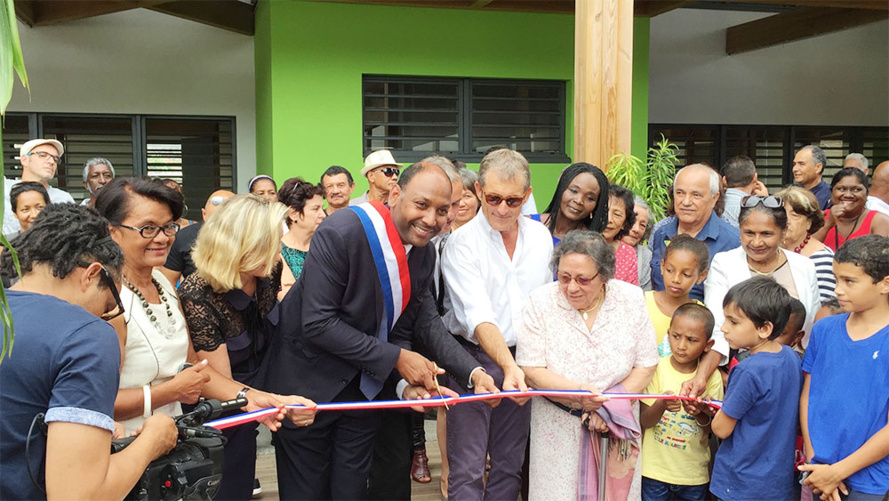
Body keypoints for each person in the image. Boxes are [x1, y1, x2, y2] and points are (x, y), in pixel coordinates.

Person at [259, 161, 496, 500]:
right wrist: (398, 359)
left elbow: (401, 327)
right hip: (305, 389)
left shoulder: (424, 254)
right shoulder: (343, 231)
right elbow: (318, 323)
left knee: (351, 492)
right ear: (395, 193)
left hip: (362, 394)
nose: (431, 218)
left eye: (443, 210)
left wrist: (406, 383)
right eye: (422, 204)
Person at [95, 177, 304, 436]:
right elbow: (95, 402)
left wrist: (249, 397)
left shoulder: (162, 283)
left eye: (168, 227)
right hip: (123, 446)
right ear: (112, 230)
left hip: (168, 441)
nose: (161, 238)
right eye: (148, 228)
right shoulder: (104, 299)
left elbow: (194, 367)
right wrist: (170, 392)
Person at [0, 203, 178, 500]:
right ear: (93, 274)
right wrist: (152, 441)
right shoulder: (85, 336)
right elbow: (79, 495)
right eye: (110, 306)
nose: (105, 317)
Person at [179, 194, 317, 500]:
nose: (276, 251)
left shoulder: (269, 270)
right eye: (266, 244)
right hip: (221, 406)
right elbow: (218, 382)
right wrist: (269, 400)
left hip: (261, 389)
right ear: (235, 244)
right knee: (225, 485)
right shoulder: (197, 292)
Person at [442, 148, 553, 501]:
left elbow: (545, 304)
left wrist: (525, 365)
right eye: (493, 198)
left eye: (513, 200)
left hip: (525, 358)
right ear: (478, 192)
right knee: (469, 467)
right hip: (473, 360)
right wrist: (508, 366)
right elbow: (477, 315)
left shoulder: (540, 238)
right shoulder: (461, 243)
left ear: (528, 196)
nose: (502, 209)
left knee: (509, 463)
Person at [517, 230, 657, 500]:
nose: (571, 287)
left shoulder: (630, 298)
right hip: (558, 427)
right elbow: (531, 369)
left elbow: (646, 365)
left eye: (583, 280)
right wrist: (579, 393)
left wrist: (610, 407)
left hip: (616, 427)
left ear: (604, 276)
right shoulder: (541, 301)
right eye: (564, 277)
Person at [799, 235, 889, 501]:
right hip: (820, 470)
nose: (838, 289)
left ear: (885, 283)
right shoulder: (824, 329)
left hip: (869, 480)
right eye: (837, 279)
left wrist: (838, 472)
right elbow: (809, 398)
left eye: (850, 281)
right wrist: (819, 463)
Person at [709, 277, 803, 501]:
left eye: (733, 322)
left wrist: (718, 412)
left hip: (740, 480)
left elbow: (722, 429)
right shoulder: (791, 357)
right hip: (775, 481)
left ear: (764, 328)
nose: (723, 328)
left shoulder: (747, 370)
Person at [705, 195, 821, 356]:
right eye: (749, 233)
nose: (757, 242)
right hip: (741, 362)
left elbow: (812, 323)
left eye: (766, 234)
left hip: (795, 363)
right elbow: (717, 325)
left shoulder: (804, 266)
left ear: (784, 231)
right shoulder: (724, 263)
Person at [640, 304, 723, 501]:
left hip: (694, 475)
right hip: (654, 472)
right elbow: (644, 421)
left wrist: (699, 411)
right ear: (668, 334)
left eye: (692, 340)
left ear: (708, 345)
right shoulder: (656, 368)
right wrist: (661, 405)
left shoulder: (712, 378)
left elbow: (711, 431)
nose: (681, 345)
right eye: (676, 336)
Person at [649, 164, 740, 303]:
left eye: (696, 195)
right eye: (680, 193)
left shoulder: (733, 241)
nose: (685, 202)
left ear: (714, 198)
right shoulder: (661, 232)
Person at [646, 234, 710, 357]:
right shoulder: (643, 302)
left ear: (701, 276)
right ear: (662, 267)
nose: (676, 279)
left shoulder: (701, 315)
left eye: (686, 275)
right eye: (670, 270)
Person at [161, 189, 235, 286]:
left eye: (229, 218)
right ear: (204, 214)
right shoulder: (184, 237)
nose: (222, 224)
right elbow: (168, 284)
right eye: (216, 219)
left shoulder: (250, 239)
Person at [774, 186, 837, 300]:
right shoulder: (766, 250)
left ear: (809, 222)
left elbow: (826, 308)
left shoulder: (823, 258)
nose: (786, 221)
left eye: (795, 216)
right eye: (782, 215)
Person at [3, 139, 75, 234]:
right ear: (24, 160)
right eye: (42, 155)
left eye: (55, 158)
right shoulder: (3, 188)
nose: (51, 161)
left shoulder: (64, 198)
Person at [534, 162, 610, 245]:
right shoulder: (527, 225)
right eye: (574, 191)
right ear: (561, 189)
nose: (579, 200)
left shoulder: (591, 244)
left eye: (590, 198)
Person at [815, 168, 889, 252]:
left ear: (867, 194)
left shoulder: (879, 221)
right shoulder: (818, 217)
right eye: (842, 189)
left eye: (856, 189)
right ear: (831, 192)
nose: (848, 195)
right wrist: (828, 223)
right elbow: (803, 253)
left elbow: (878, 259)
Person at [278, 178, 326, 299]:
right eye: (315, 209)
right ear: (293, 214)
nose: (323, 215)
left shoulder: (324, 247)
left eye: (322, 208)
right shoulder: (278, 251)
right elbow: (287, 297)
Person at [602, 184, 639, 286]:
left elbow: (630, 293)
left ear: (625, 223)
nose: (609, 219)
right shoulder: (579, 243)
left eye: (617, 214)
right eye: (604, 211)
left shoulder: (628, 253)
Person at [720, 155, 767, 227]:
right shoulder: (757, 208)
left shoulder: (713, 203)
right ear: (755, 177)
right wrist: (766, 202)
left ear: (724, 180)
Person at [623, 196, 654, 290]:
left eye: (642, 225)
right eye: (632, 221)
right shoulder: (599, 246)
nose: (636, 229)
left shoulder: (645, 256)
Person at [793, 145, 832, 210]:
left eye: (801, 164)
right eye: (794, 164)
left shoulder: (830, 194)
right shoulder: (791, 193)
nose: (795, 169)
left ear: (818, 167)